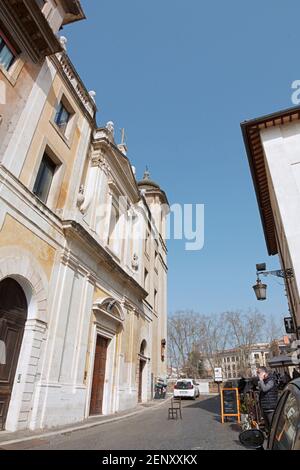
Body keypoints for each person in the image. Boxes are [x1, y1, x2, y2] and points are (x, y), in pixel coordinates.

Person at [257, 366, 278, 433]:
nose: (258, 374)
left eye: (258, 372)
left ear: (263, 373)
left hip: (270, 407)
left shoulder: (271, 380)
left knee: (272, 426)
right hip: (265, 407)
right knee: (268, 427)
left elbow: (265, 389)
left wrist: (261, 380)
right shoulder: (265, 380)